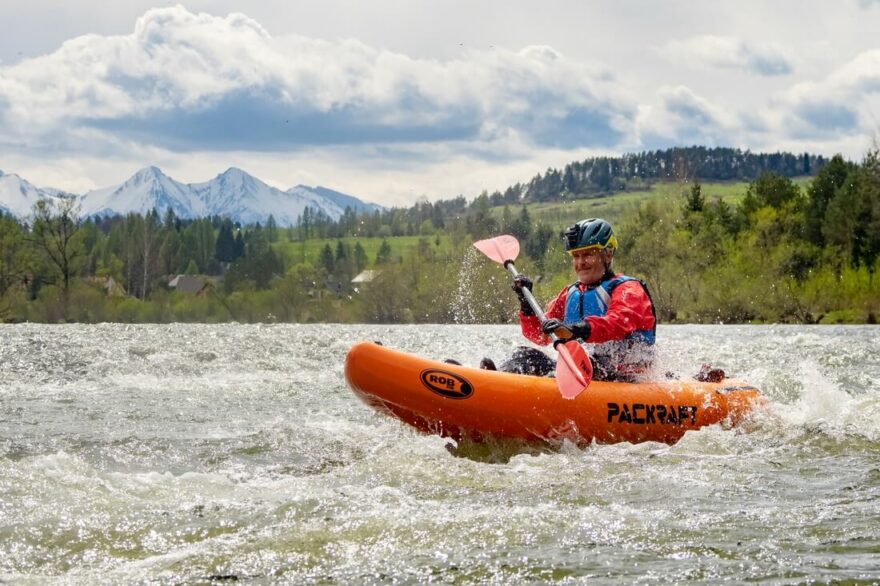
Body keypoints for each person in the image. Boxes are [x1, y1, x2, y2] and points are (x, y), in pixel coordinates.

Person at [488, 218, 657, 382]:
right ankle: (493, 381)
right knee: (525, 357)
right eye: (576, 256)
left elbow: (618, 323)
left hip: (626, 377)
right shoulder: (571, 293)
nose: (580, 262)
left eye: (588, 255)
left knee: (591, 363)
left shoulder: (629, 289)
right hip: (581, 370)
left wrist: (574, 329)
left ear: (608, 255)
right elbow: (540, 335)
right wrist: (526, 306)